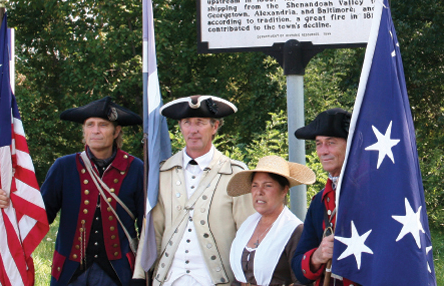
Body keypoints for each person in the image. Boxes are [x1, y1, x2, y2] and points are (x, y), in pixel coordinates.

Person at [0, 96, 145, 286]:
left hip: (118, 275)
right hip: (69, 274)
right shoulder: (64, 167)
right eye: (90, 125)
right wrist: (7, 202)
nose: (95, 130)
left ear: (116, 132)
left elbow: (147, 227)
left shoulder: (136, 168)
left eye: (103, 125)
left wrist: (140, 274)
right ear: (84, 131)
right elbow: (39, 214)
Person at [132, 95, 254, 286]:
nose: (193, 130)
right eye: (187, 123)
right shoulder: (163, 172)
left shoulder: (235, 173)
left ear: (215, 127)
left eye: (200, 122)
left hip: (217, 280)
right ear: (180, 127)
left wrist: (246, 280)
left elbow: (247, 232)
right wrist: (139, 275)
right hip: (169, 278)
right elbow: (153, 229)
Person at [291, 108, 358, 286]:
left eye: (331, 142)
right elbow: (298, 267)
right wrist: (317, 256)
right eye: (319, 143)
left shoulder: (375, 195)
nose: (323, 151)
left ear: (350, 144)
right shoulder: (320, 202)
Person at [227, 155, 316, 286]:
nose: (259, 192)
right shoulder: (247, 225)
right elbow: (238, 279)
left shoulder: (294, 230)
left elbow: (302, 281)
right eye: (255, 186)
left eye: (267, 186)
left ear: (284, 190)